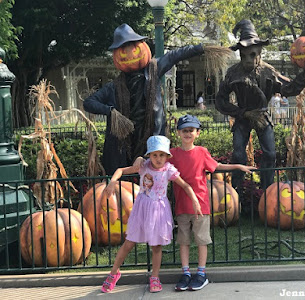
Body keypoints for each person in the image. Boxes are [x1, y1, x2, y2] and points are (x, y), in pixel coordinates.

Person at [133, 114, 256, 291]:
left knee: (201, 240)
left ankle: (201, 273)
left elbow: (217, 166)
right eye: (184, 130)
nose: (188, 133)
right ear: (178, 133)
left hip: (201, 204)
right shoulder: (172, 154)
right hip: (182, 205)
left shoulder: (202, 152)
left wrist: (238, 166)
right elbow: (153, 161)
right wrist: (138, 159)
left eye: (191, 130)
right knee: (183, 240)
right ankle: (186, 273)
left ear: (197, 133)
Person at [83, 24, 206, 176]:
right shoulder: (113, 87)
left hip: (150, 136)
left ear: (142, 46)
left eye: (133, 48)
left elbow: (176, 54)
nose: (129, 55)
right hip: (124, 140)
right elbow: (88, 102)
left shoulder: (154, 70)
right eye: (122, 51)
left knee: (151, 177)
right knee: (124, 182)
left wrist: (201, 48)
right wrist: (110, 111)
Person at [215, 19, 305, 190]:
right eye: (244, 55)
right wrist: (242, 113)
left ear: (259, 52)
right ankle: (236, 190)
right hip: (243, 117)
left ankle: (267, 189)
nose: (248, 60)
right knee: (239, 154)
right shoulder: (233, 73)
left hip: (262, 116)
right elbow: (220, 101)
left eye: (252, 55)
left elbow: (288, 88)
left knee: (270, 153)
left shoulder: (268, 71)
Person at [100, 135, 202, 294]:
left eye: (162, 155)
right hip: (141, 210)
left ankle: (155, 277)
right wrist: (112, 181)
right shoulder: (143, 166)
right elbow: (120, 170)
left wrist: (195, 201)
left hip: (158, 212)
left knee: (156, 246)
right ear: (149, 155)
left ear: (167, 156)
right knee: (128, 244)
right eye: (154, 155)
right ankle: (114, 272)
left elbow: (185, 185)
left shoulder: (169, 170)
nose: (158, 158)